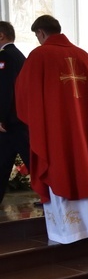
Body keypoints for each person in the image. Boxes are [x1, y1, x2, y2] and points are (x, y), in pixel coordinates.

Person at [15, 15, 88, 244]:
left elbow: (22, 95)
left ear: (40, 33)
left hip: (57, 133)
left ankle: (71, 232)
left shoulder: (39, 56)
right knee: (87, 165)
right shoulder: (84, 56)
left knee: (61, 168)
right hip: (85, 131)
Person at [0, 21, 29, 205]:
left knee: (2, 164)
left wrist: (0, 118)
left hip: (9, 123)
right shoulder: (20, 56)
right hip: (21, 120)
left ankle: (52, 196)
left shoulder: (5, 57)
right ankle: (51, 196)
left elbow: (4, 90)